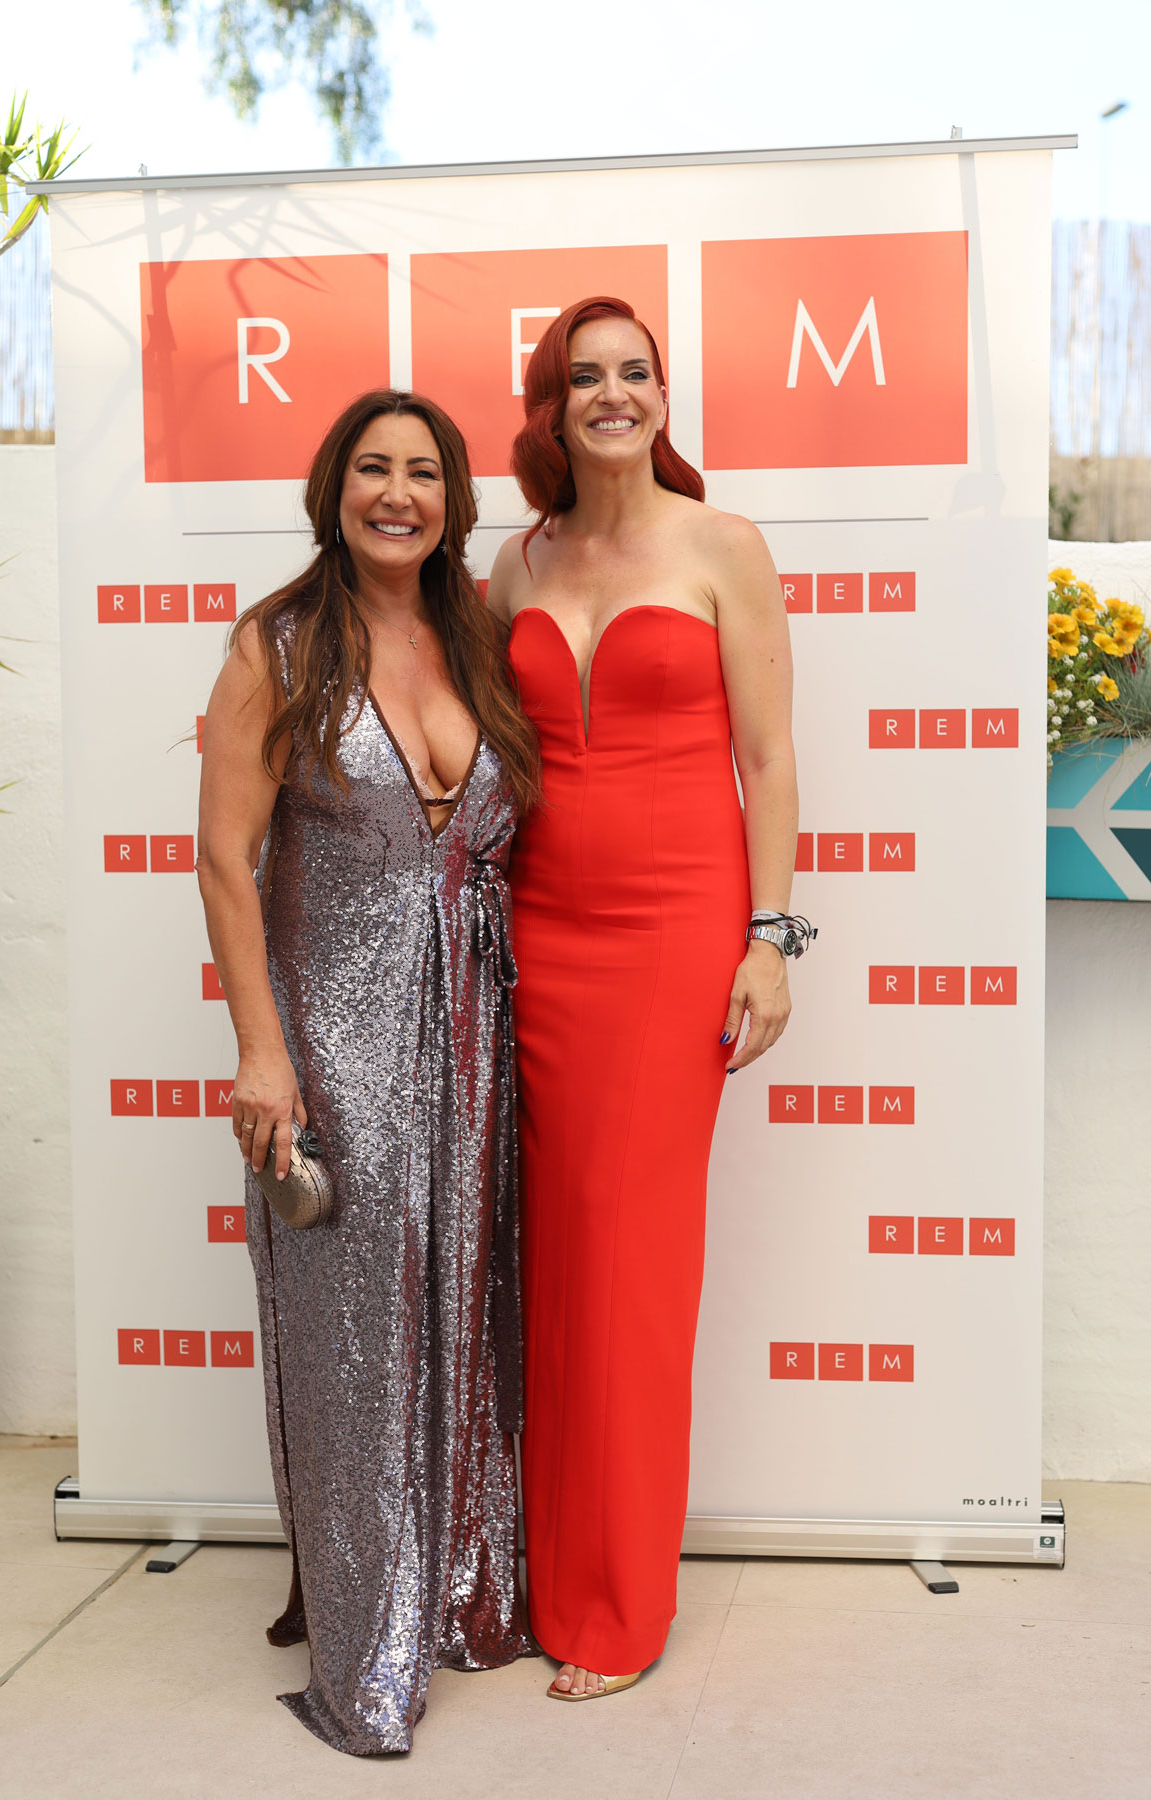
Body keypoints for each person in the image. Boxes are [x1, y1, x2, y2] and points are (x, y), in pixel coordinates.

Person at [196, 390, 540, 1756]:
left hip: (477, 1035)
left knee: (467, 1309)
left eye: (424, 473)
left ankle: (456, 1588)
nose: (398, 494)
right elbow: (225, 859)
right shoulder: (277, 644)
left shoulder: (481, 639)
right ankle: (367, 1644)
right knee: (355, 1344)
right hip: (333, 1048)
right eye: (372, 470)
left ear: (454, 502)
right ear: (332, 492)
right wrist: (262, 1051)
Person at [487, 296, 805, 1702]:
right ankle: (552, 1578)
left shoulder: (724, 545)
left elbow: (769, 758)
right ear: (551, 407)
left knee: (634, 1271)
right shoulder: (516, 563)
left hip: (676, 940)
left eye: (636, 372)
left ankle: (618, 1609)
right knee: (558, 1264)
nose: (613, 394)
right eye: (585, 376)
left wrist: (769, 940)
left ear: (663, 399)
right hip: (534, 939)